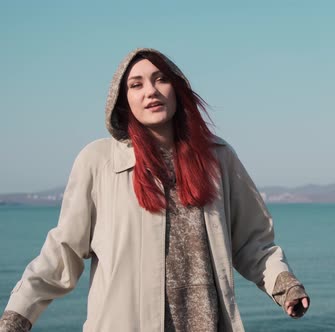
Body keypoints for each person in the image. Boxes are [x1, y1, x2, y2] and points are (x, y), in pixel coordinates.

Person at [0, 48, 310, 332]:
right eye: (136, 85)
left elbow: (252, 243)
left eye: (160, 79)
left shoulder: (217, 158)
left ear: (177, 89)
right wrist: (18, 314)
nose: (150, 91)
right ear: (123, 100)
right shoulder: (98, 162)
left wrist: (284, 286)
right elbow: (63, 251)